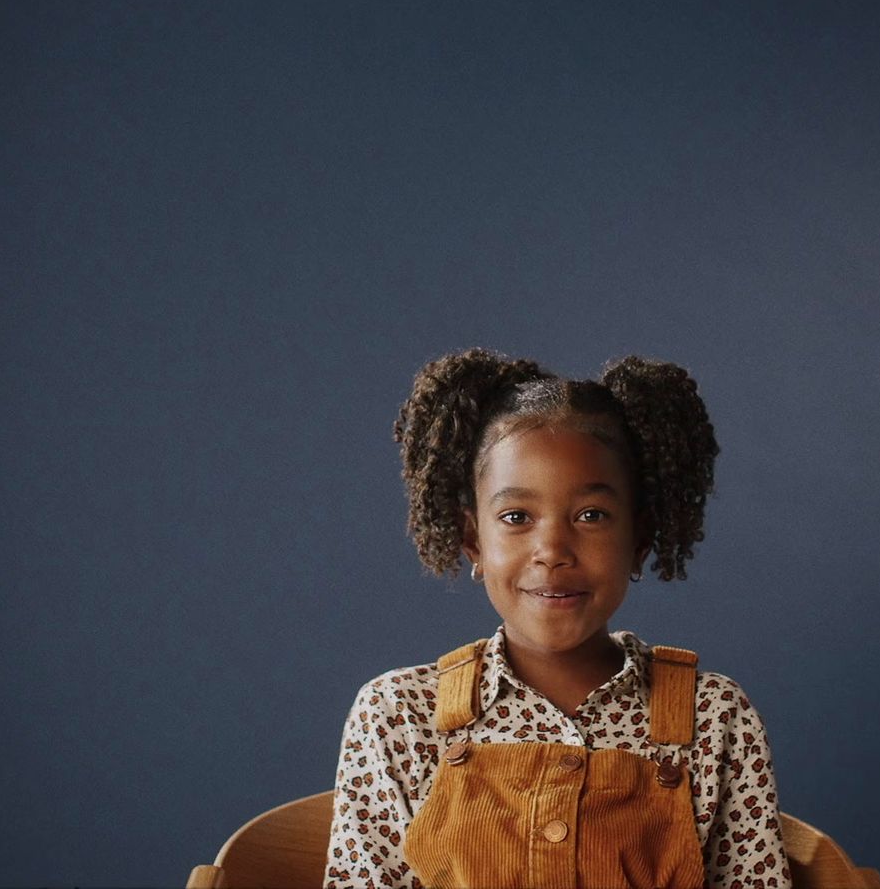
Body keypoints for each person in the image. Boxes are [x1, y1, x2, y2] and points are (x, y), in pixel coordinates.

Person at [324, 348, 793, 889]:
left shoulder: (712, 719)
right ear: (474, 539)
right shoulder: (400, 717)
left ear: (638, 541)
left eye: (590, 516)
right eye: (516, 517)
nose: (552, 550)